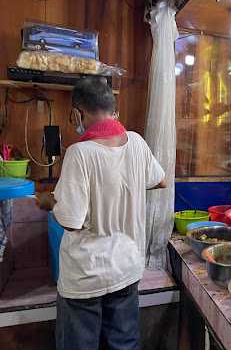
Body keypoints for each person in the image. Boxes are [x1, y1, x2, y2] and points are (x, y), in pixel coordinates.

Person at [48, 77, 166, 350]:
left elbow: (70, 221)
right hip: (126, 268)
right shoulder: (136, 142)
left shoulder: (80, 153)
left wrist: (49, 202)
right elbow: (160, 181)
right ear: (114, 110)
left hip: (86, 276)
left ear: (78, 113)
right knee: (124, 345)